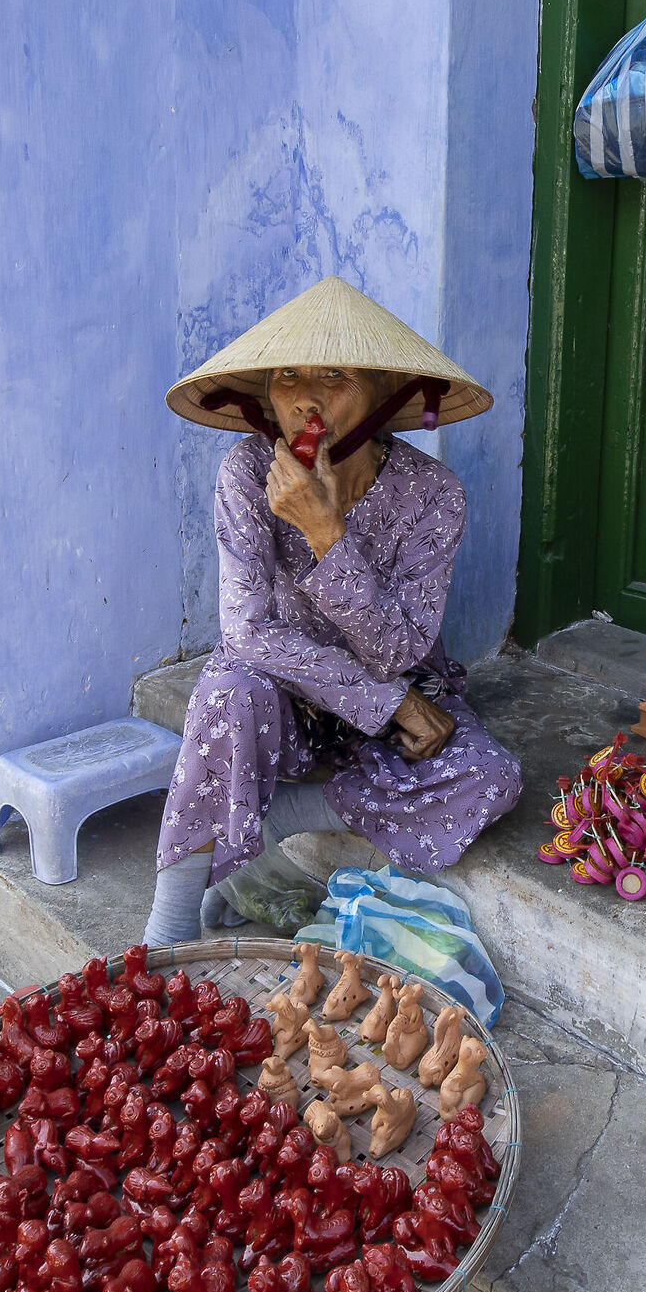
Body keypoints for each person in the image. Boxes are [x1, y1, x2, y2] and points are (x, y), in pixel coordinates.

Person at [140, 278, 522, 947]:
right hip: (285, 698)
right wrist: (391, 701)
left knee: (491, 777)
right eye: (287, 375)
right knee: (224, 694)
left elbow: (402, 651)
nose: (304, 397)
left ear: (384, 389)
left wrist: (324, 530)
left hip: (392, 700)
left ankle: (282, 815)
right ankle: (167, 928)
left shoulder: (433, 496)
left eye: (334, 374)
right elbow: (249, 632)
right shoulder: (245, 472)